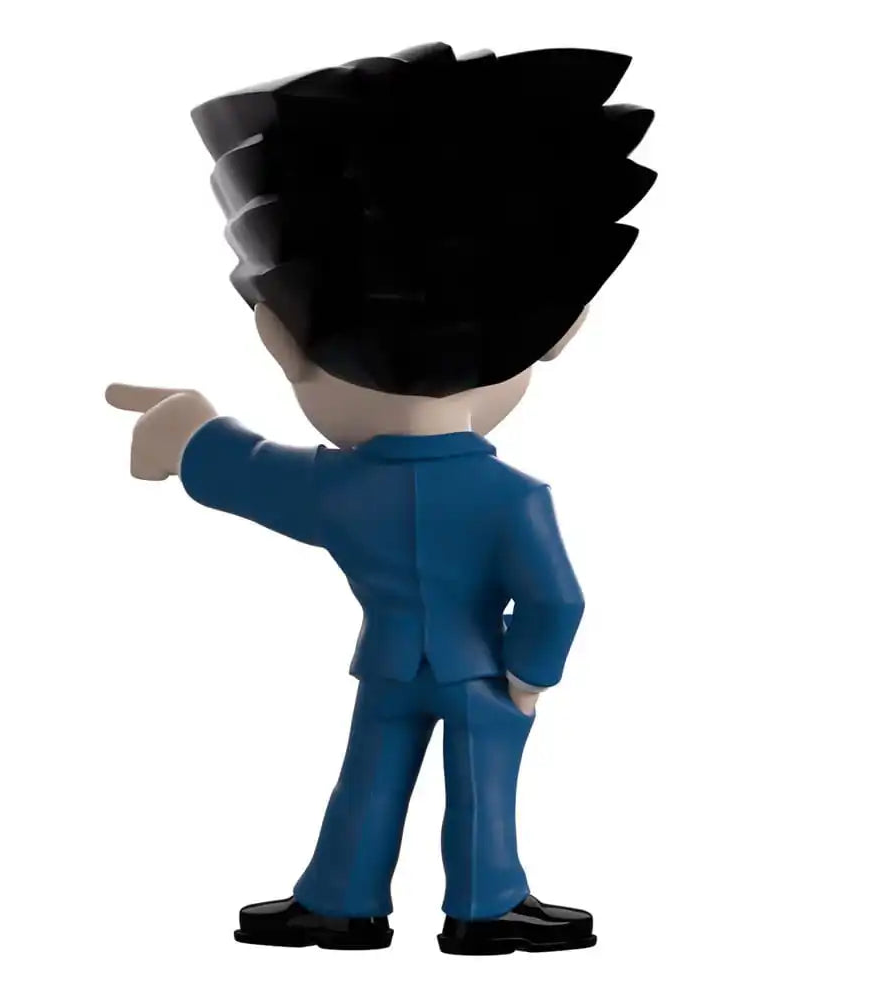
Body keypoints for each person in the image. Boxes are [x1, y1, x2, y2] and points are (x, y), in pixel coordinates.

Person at [107, 41, 654, 955]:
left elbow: (252, 471)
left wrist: (190, 431)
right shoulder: (513, 497)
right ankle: (485, 909)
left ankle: (342, 901)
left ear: (281, 342)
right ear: (556, 335)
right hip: (483, 673)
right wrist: (530, 676)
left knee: (368, 782)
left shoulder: (339, 488)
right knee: (484, 788)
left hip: (391, 667)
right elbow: (557, 599)